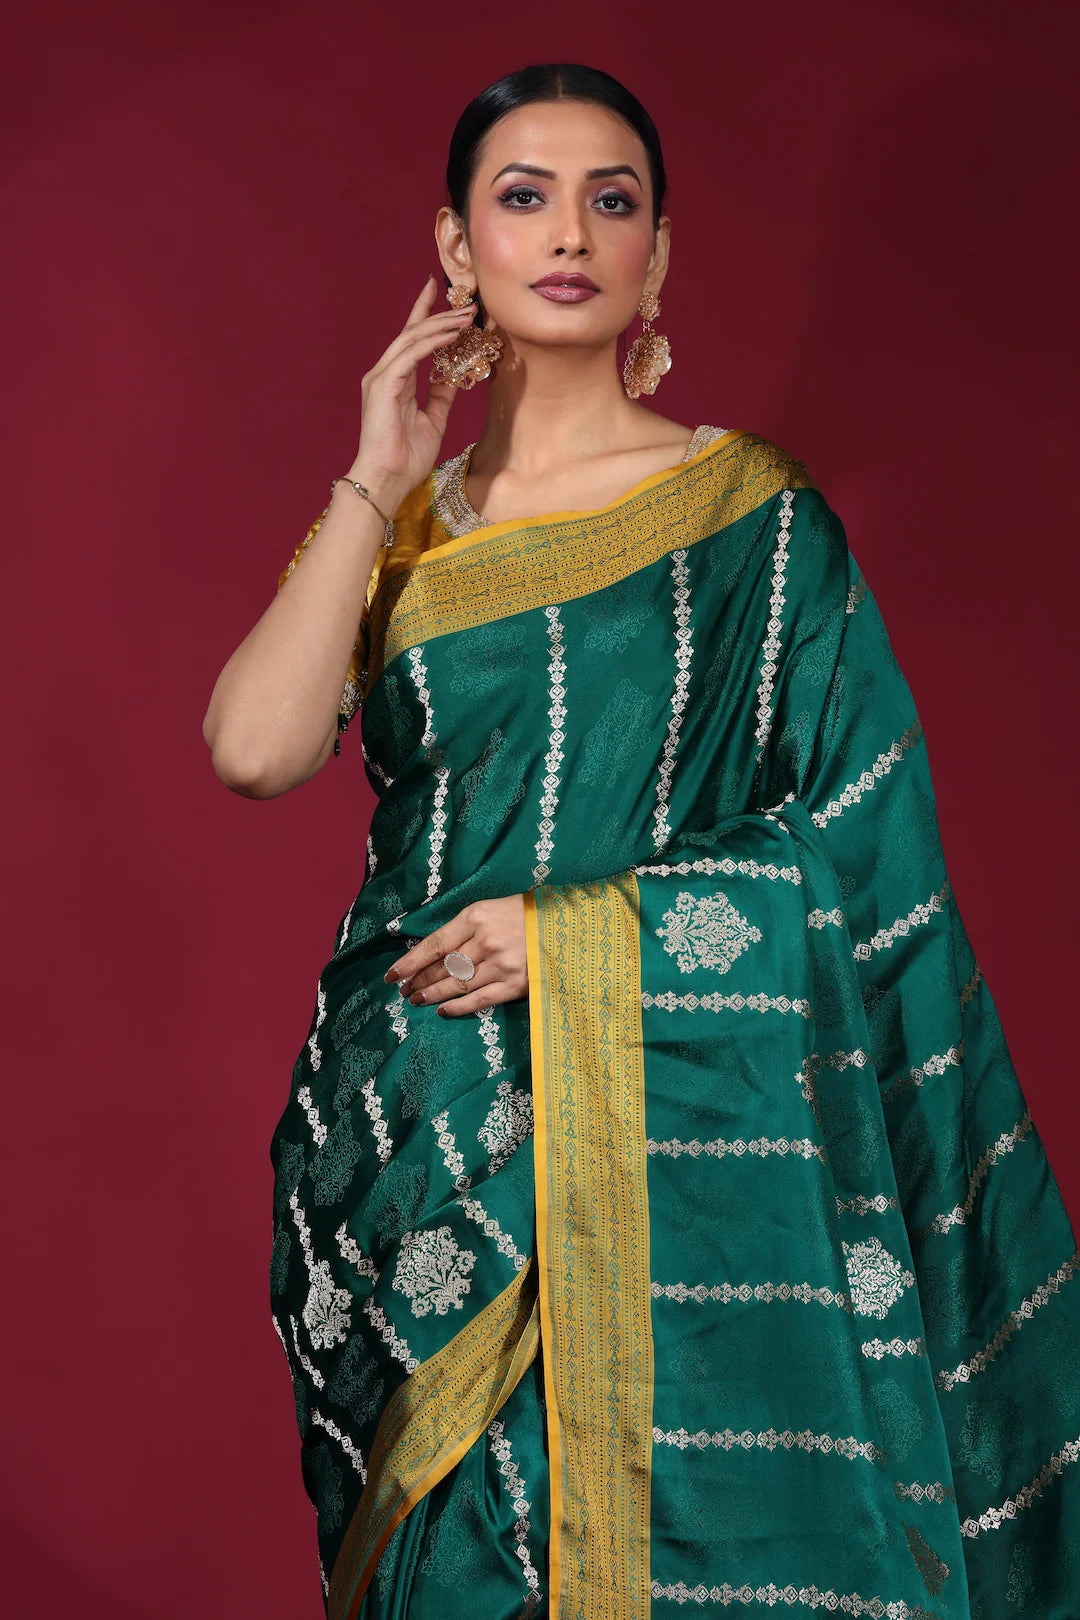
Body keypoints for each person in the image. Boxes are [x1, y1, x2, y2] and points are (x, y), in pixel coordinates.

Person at [202, 61, 1080, 1620]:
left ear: (658, 254)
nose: (570, 234)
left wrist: (575, 937)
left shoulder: (753, 521)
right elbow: (255, 750)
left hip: (681, 1128)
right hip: (421, 1127)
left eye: (612, 202)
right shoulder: (402, 529)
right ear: (456, 245)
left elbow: (854, 848)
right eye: (522, 198)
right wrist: (376, 473)